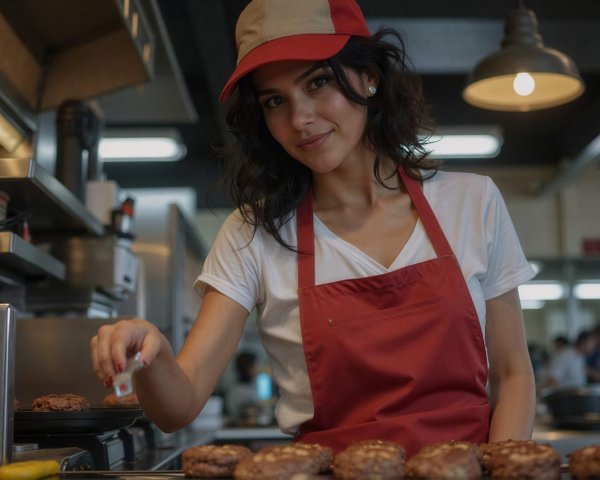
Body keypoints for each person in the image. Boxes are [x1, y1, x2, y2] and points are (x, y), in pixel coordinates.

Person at [90, 0, 536, 456]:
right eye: (275, 101)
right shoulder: (253, 234)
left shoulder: (472, 202)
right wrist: (154, 352)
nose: (299, 119)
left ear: (369, 78)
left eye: (318, 82)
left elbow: (512, 374)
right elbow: (177, 408)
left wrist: (501, 469)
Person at [225, 351, 261, 424]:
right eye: (256, 366)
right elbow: (235, 412)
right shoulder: (235, 390)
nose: (258, 369)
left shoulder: (252, 386)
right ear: (247, 368)